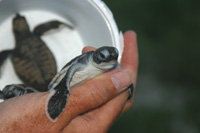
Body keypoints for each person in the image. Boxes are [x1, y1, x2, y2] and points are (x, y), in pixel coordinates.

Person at [0, 31, 138, 132]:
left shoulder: (111, 65)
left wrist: (127, 85)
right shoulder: (85, 62)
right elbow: (72, 70)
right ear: (96, 56)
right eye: (101, 56)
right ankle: (20, 93)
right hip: (61, 85)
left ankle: (19, 93)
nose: (106, 60)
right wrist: (62, 92)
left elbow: (118, 69)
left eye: (112, 57)